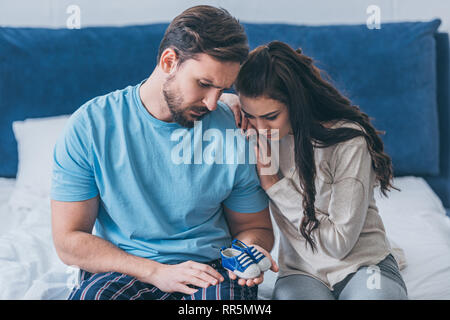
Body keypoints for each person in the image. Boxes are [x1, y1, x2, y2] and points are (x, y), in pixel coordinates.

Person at [50, 5, 278, 301]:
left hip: (209, 270)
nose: (212, 103)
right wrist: (155, 271)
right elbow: (69, 241)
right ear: (169, 61)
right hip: (123, 267)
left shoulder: (231, 129)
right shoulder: (90, 127)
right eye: (204, 84)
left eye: (222, 90)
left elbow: (254, 227)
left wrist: (249, 251)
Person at [221, 40, 408, 300]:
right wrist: (227, 100)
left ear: (296, 103)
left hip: (362, 263)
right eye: (251, 115)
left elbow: (339, 246)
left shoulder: (348, 141)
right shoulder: (257, 133)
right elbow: (203, 99)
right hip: (302, 271)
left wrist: (274, 184)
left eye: (271, 116)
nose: (261, 128)